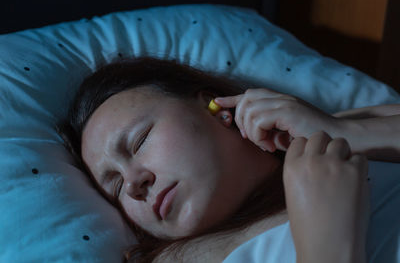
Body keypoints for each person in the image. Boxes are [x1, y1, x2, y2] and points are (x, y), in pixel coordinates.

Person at [56, 56, 400, 263]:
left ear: (215, 109)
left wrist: (351, 133)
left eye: (139, 141)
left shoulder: (342, 127)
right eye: (115, 187)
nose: (133, 184)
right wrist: (328, 248)